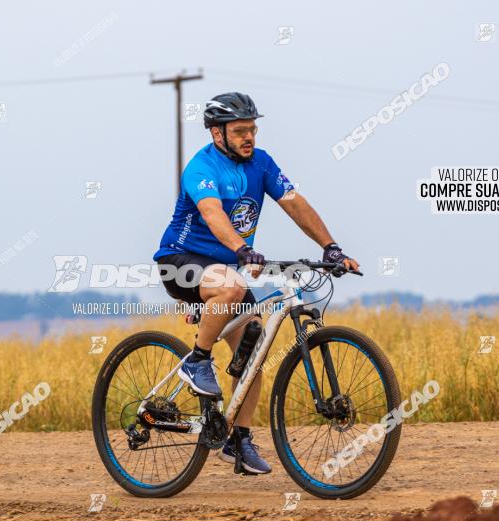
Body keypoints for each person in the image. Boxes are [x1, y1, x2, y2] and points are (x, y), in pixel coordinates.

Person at [153, 92, 359, 474]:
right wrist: (241, 248)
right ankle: (197, 362)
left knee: (253, 352)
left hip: (226, 268)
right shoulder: (201, 168)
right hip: (181, 261)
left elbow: (294, 202)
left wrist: (330, 246)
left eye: (253, 129)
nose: (249, 137)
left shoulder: (261, 163)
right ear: (218, 134)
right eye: (240, 131)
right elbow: (212, 214)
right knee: (230, 286)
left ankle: (238, 441)